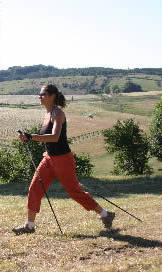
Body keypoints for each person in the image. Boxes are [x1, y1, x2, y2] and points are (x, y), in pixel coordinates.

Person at [12, 84, 115, 235]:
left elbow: (54, 137)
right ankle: (29, 225)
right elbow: (46, 137)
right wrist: (28, 137)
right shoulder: (48, 114)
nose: (39, 97)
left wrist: (31, 137)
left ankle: (105, 214)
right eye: (39, 94)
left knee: (74, 192)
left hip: (63, 160)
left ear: (52, 96)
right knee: (34, 189)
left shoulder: (58, 113)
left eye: (43, 94)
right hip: (49, 159)